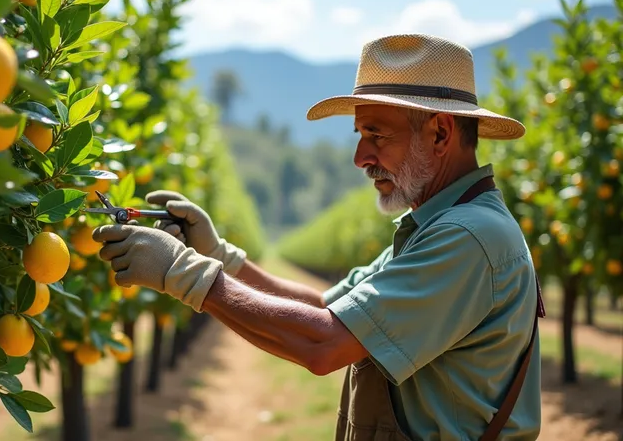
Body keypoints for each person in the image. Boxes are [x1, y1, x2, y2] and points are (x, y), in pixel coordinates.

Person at [92, 33, 545, 441]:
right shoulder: (437, 226)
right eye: (360, 134)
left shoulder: (467, 237)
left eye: (376, 134)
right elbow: (326, 310)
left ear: (441, 133)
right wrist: (221, 257)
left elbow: (324, 343)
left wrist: (184, 273)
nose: (360, 156)